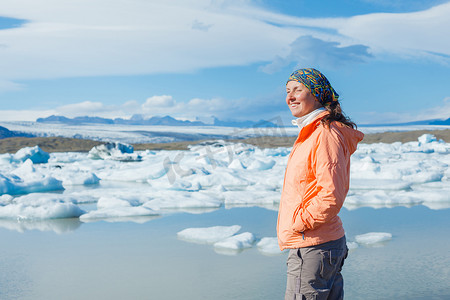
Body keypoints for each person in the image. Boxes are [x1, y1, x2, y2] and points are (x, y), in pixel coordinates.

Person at [277, 68, 364, 300]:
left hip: (313, 244)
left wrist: (299, 224)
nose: (290, 97)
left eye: (298, 89)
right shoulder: (313, 131)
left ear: (316, 93)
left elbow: (330, 195)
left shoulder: (324, 133)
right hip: (319, 242)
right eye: (287, 91)